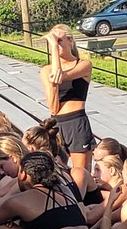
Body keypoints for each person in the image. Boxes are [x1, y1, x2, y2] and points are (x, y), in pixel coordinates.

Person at [39, 25, 95, 193]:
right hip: (58, 122)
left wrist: (55, 49)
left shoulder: (83, 64)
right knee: (57, 170)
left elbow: (61, 76)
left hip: (76, 121)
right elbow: (53, 106)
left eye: (59, 40)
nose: (55, 45)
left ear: (70, 41)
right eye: (53, 42)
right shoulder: (46, 70)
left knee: (80, 174)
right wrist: (54, 50)